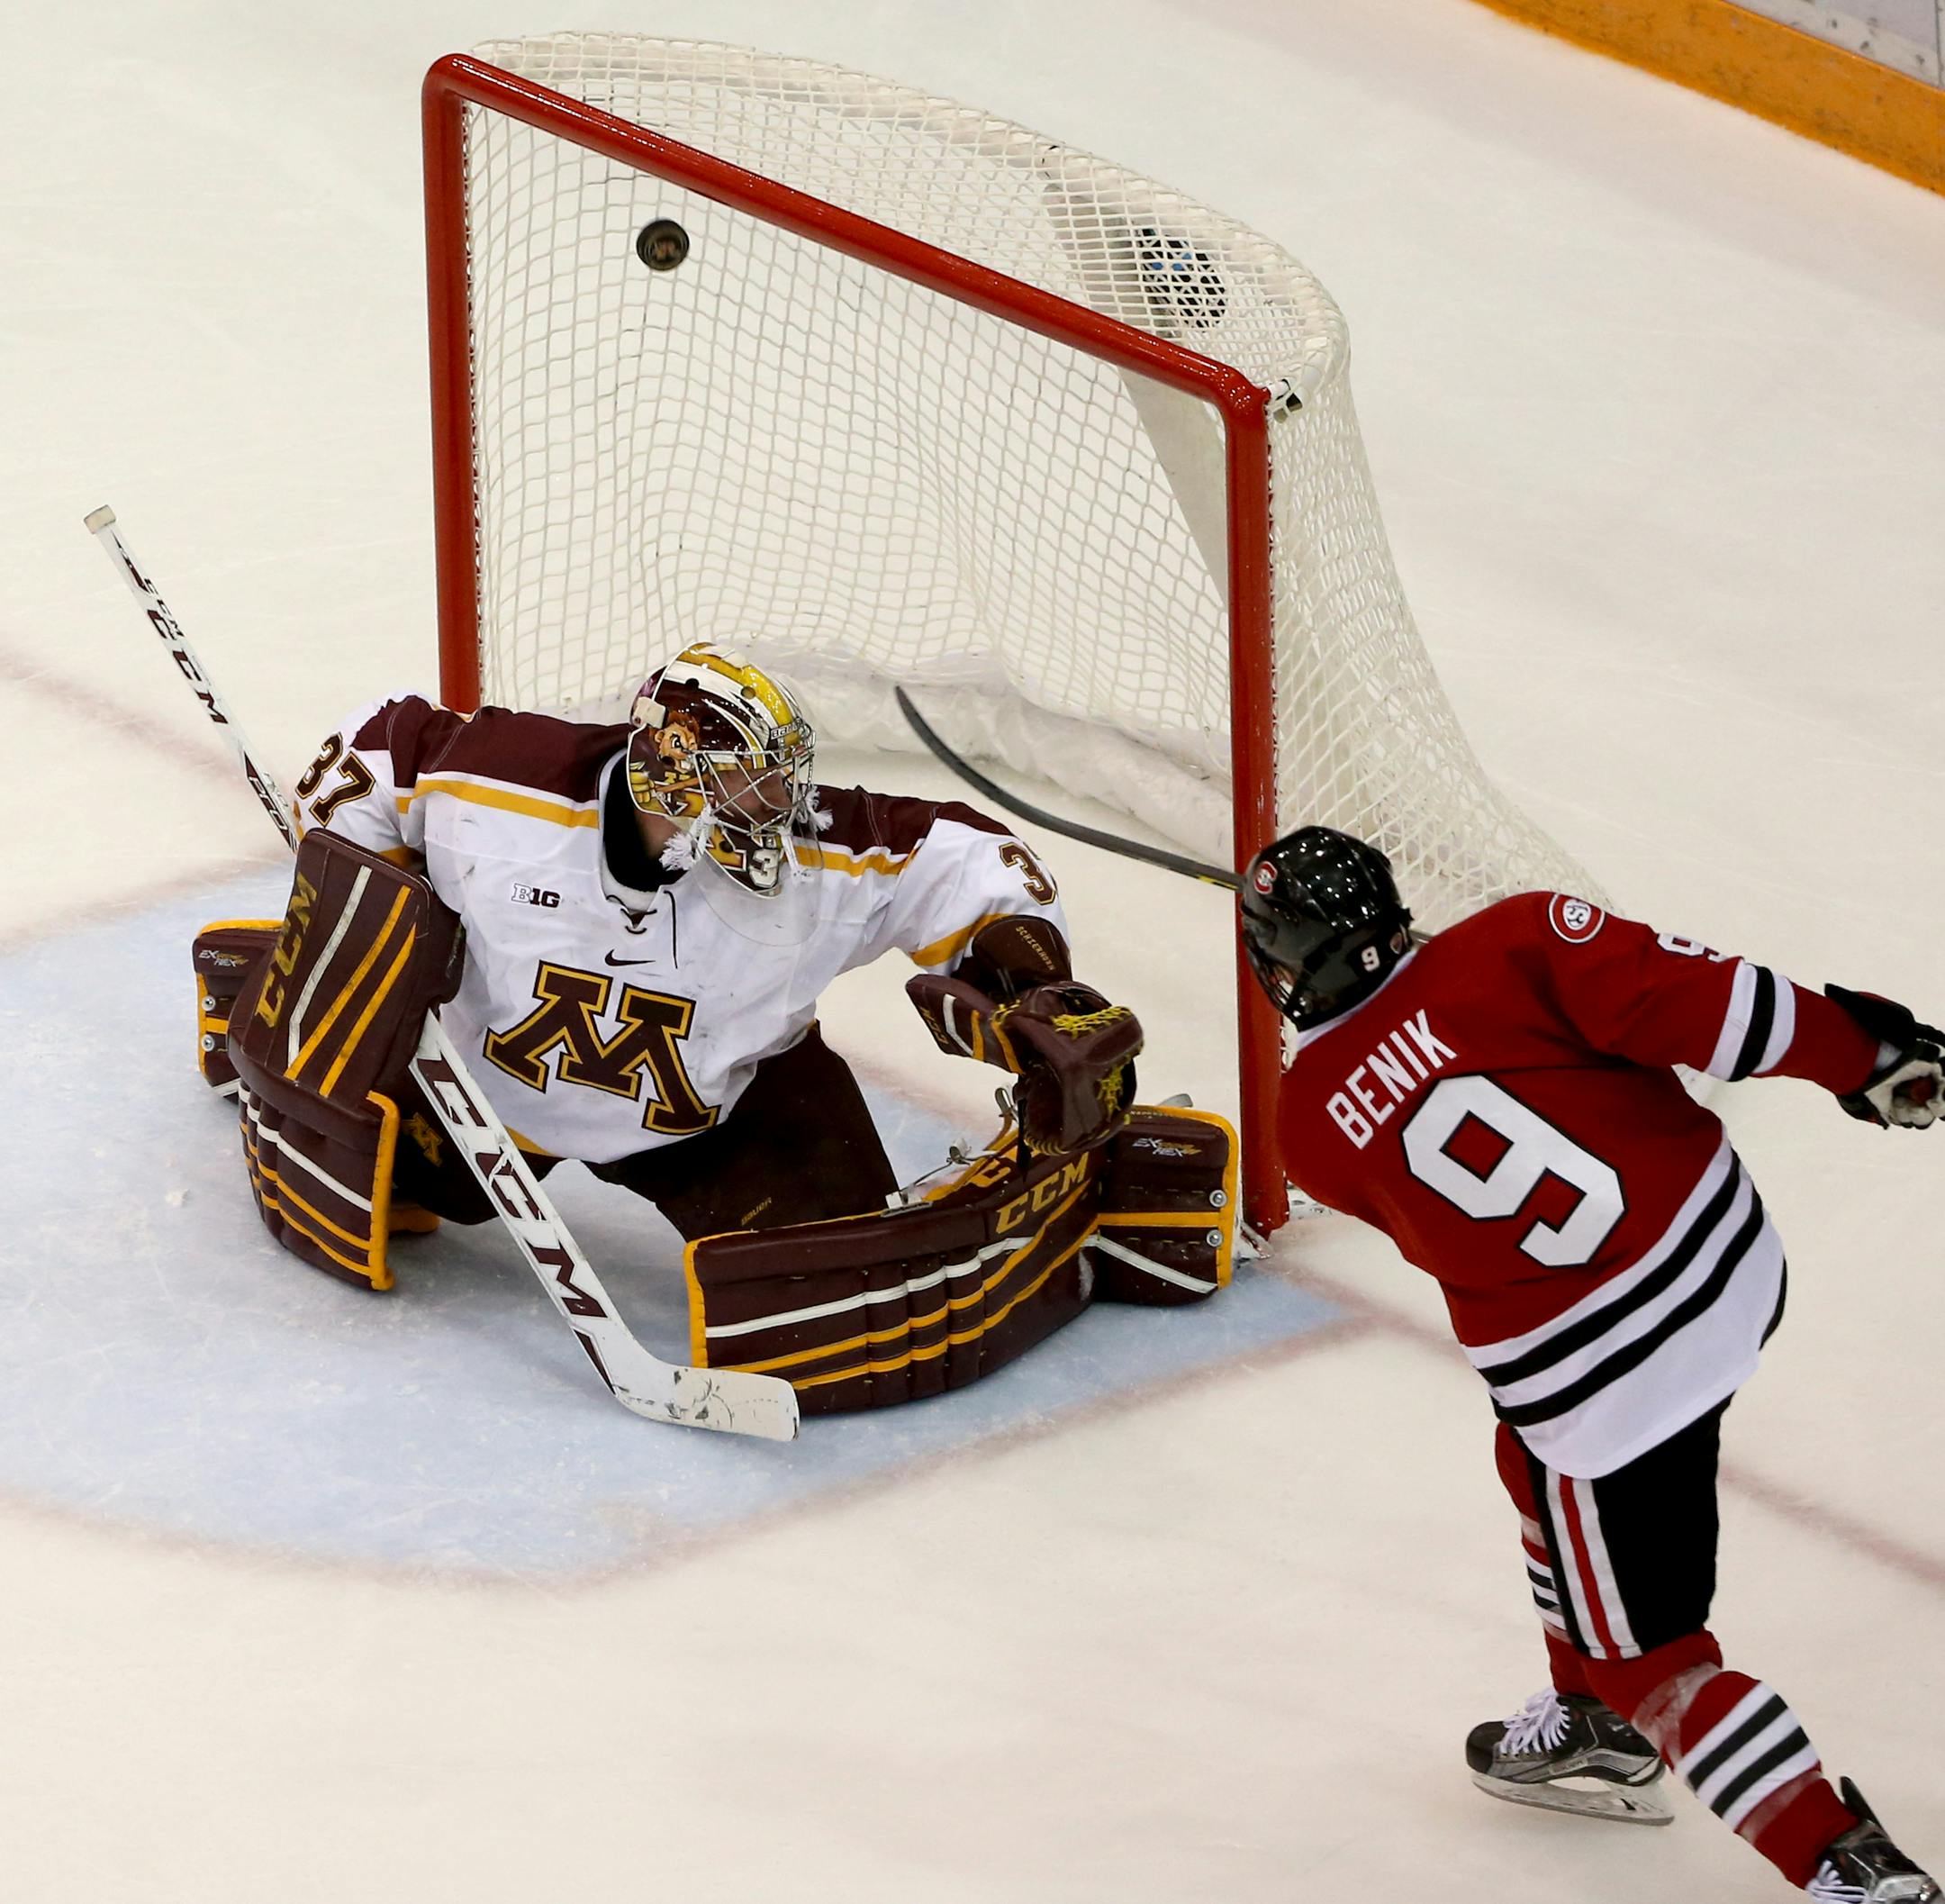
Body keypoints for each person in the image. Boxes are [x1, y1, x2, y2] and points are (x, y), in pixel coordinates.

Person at [1238, 825, 1940, 1902]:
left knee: (1655, 1661)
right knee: (1529, 1460)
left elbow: (1450, 1222)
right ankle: (1595, 1729)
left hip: (1610, 1388)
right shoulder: (1518, 938)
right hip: (1734, 1264)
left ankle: (1839, 1861)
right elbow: (1707, 1003)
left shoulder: (1308, 1132)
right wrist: (1869, 1052)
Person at [204, 641, 1142, 1288]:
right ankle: (254, 985)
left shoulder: (817, 858)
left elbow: (967, 857)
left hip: (719, 1120)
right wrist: (376, 898)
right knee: (367, 1180)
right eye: (749, 781)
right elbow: (379, 746)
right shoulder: (504, 786)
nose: (778, 806)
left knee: (834, 1271)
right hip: (481, 1094)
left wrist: (1027, 979)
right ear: (673, 769)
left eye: (780, 780)